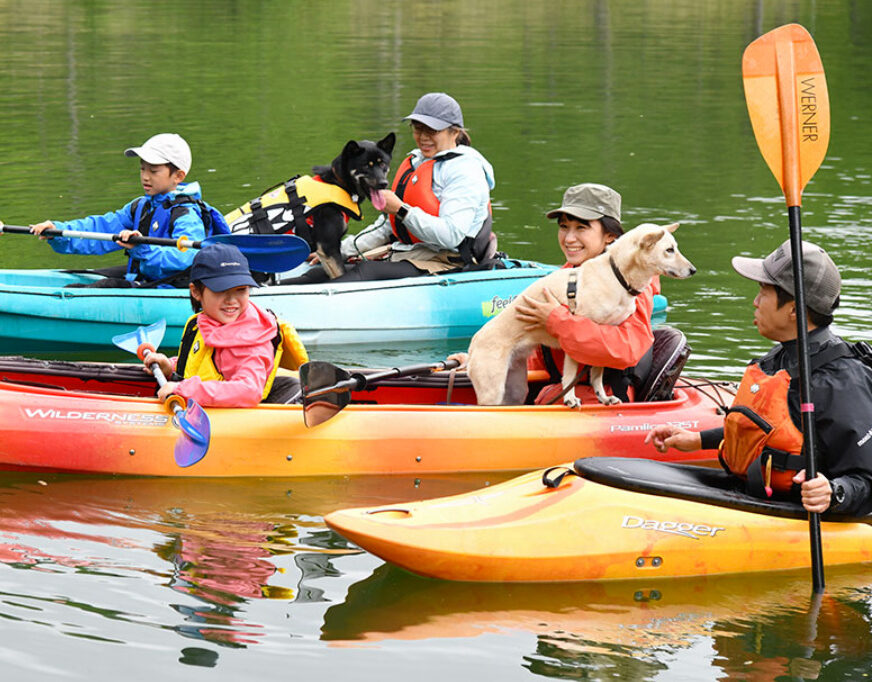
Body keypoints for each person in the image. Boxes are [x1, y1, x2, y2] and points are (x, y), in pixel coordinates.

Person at [645, 241, 872, 516]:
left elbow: (865, 480)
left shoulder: (841, 383)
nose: (755, 302)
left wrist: (834, 492)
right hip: (756, 493)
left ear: (793, 310)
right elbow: (765, 431)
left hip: (798, 513)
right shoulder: (778, 358)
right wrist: (697, 440)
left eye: (763, 292)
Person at [450, 183, 657, 404]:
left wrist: (558, 320)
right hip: (562, 389)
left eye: (581, 228)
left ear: (610, 236)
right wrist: (481, 359)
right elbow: (539, 350)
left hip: (604, 396)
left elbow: (626, 350)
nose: (568, 238)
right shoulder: (566, 277)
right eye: (564, 227)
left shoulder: (632, 285)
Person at [281, 92, 495, 283]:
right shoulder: (418, 161)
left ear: (454, 131)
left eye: (432, 130)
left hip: (447, 261)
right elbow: (387, 228)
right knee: (318, 273)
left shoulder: (465, 170)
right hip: (410, 253)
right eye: (418, 128)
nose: (423, 137)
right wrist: (341, 250)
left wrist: (402, 210)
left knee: (364, 272)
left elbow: (451, 235)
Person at [0, 133, 228, 288]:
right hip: (145, 277)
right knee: (83, 275)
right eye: (142, 169)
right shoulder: (140, 207)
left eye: (153, 171)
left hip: (172, 287)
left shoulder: (187, 214)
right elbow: (99, 229)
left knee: (96, 289)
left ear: (178, 176)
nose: (145, 177)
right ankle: (0, 287)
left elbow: (183, 258)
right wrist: (58, 231)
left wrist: (141, 248)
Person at [140, 243, 307, 408]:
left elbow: (248, 390)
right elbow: (204, 364)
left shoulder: (250, 340)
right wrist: (170, 366)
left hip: (243, 420)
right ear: (196, 292)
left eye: (240, 289)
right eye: (221, 290)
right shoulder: (205, 321)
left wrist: (183, 390)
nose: (232, 300)